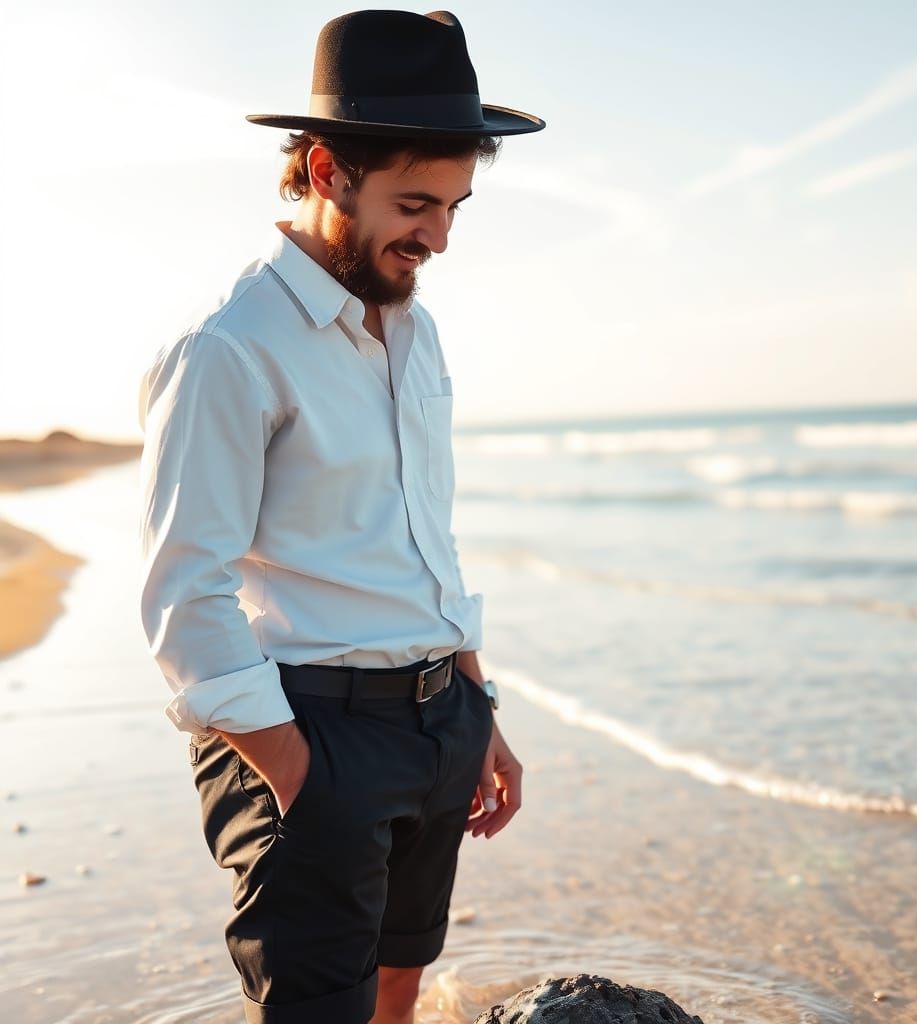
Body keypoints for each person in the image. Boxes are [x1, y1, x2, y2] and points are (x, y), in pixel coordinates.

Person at [137, 10, 545, 1023]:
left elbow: (425, 541)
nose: (438, 237)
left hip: (439, 718)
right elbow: (185, 595)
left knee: (400, 989)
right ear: (325, 171)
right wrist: (299, 777)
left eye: (453, 207)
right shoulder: (228, 347)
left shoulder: (415, 328)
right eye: (415, 204)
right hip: (304, 727)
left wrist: (476, 705)